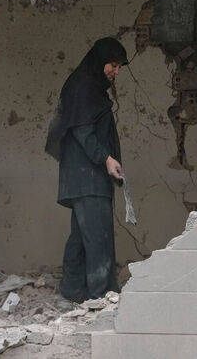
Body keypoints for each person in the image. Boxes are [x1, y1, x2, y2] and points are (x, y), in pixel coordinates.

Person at [45, 37, 128, 302]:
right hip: (87, 175)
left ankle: (72, 291)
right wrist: (106, 159)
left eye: (119, 66)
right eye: (113, 65)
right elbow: (83, 129)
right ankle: (102, 297)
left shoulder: (88, 85)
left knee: (82, 236)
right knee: (98, 237)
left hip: (85, 175)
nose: (116, 71)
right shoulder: (83, 86)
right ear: (100, 60)